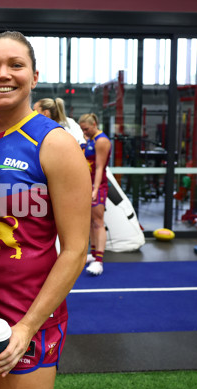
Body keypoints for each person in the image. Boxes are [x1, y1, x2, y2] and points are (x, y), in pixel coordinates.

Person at [0, 31, 91, 389]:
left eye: (15, 65)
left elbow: (74, 249)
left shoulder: (55, 144)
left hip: (26, 311)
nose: (2, 74)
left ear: (34, 77)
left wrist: (27, 326)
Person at [79, 113, 112, 276]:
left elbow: (100, 167)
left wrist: (95, 188)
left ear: (94, 125)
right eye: (82, 129)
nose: (84, 132)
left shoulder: (101, 141)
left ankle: (99, 261)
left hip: (97, 185)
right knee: (91, 221)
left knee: (98, 221)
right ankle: (93, 254)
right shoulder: (90, 140)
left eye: (86, 129)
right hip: (87, 185)